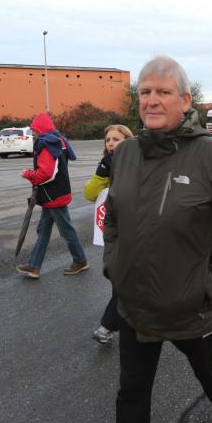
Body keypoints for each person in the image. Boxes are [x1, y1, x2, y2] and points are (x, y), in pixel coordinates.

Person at [104, 56, 212, 423]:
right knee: (131, 392)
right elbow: (114, 219)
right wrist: (113, 266)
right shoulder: (126, 154)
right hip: (134, 303)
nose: (152, 100)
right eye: (145, 92)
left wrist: (207, 285)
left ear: (185, 100)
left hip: (190, 306)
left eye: (163, 92)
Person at [16, 113, 88, 278]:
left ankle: (81, 260)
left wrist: (28, 174)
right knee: (44, 229)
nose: (32, 132)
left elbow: (46, 174)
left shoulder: (47, 144)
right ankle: (34, 266)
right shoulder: (58, 140)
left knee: (66, 231)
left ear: (40, 129)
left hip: (53, 195)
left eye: (34, 129)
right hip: (55, 193)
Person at [84, 124, 133, 345]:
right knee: (122, 280)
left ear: (128, 141)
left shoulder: (138, 161)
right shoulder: (106, 163)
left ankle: (107, 326)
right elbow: (90, 194)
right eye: (108, 140)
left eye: (116, 139)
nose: (111, 143)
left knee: (126, 281)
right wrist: (102, 173)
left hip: (138, 231)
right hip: (116, 233)